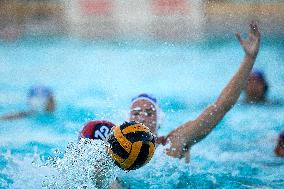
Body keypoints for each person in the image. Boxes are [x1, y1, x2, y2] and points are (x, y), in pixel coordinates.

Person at [129, 21, 260, 162]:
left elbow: (221, 106)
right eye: (136, 113)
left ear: (159, 120)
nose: (142, 118)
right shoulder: (118, 149)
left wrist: (249, 59)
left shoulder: (173, 143)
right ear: (127, 119)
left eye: (149, 113)